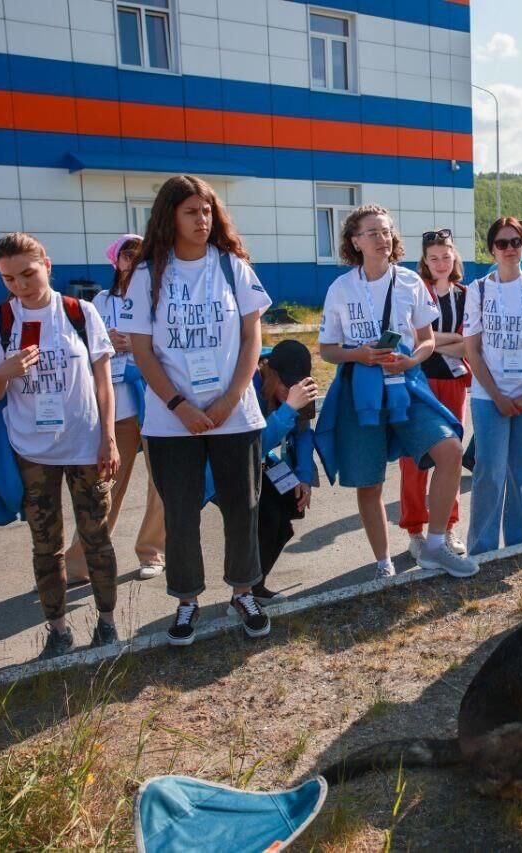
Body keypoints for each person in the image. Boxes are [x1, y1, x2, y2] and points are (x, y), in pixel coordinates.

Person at [118, 175, 273, 646]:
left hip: (235, 415)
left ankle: (243, 592)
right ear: (170, 216)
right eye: (191, 212)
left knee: (242, 508)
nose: (201, 219)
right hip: (172, 421)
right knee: (181, 513)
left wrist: (228, 400)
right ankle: (187, 601)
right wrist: (179, 405)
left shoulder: (233, 267)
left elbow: (253, 338)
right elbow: (142, 351)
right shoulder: (147, 276)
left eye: (206, 211)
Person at [0, 232, 120, 660]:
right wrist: (4, 370)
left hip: (86, 446)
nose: (20, 285)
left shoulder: (80, 313)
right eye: (8, 278)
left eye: (28, 273)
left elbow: (104, 383)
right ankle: (57, 630)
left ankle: (107, 623)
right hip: (32, 451)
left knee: (96, 537)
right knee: (45, 543)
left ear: (47, 266)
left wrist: (108, 438)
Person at [316, 205, 477, 579]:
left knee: (450, 449)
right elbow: (326, 349)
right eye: (372, 232)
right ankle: (383, 563)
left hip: (407, 382)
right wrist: (360, 354)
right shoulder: (340, 288)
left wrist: (410, 361)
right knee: (370, 481)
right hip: (362, 388)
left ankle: (436, 544)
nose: (382, 239)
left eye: (386, 232)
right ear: (355, 241)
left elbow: (426, 341)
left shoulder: (409, 282)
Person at [65, 235, 166, 583]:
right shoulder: (100, 301)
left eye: (142, 253)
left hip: (156, 402)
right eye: (127, 253)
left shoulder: (159, 297)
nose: (134, 259)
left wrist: (137, 345)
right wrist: (110, 343)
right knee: (106, 482)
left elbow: (169, 343)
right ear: (116, 260)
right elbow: (83, 348)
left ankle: (152, 553)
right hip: (117, 406)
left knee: (162, 482)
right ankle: (82, 559)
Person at [463, 217, 522, 555]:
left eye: (516, 242)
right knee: (488, 470)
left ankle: (519, 544)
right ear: (491, 249)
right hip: (489, 395)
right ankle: (483, 549)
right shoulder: (478, 290)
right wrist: (498, 396)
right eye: (502, 243)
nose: (510, 249)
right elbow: (472, 350)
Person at [399, 228, 470, 560]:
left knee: (451, 458)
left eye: (446, 255)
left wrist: (434, 339)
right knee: (415, 462)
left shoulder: (465, 294)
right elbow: (414, 339)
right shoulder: (415, 291)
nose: (441, 262)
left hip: (454, 383)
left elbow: (467, 343)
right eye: (434, 257)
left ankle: (447, 526)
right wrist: (446, 341)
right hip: (419, 384)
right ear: (424, 262)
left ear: (454, 256)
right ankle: (415, 529)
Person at [252, 339, 319, 600]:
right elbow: (251, 446)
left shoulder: (301, 390)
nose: (291, 390)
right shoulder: (250, 384)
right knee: (267, 517)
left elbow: (303, 434)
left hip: (263, 462)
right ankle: (246, 591)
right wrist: (288, 408)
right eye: (286, 383)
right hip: (231, 466)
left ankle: (254, 586)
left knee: (288, 512)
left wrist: (303, 478)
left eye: (296, 384)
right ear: (272, 373)